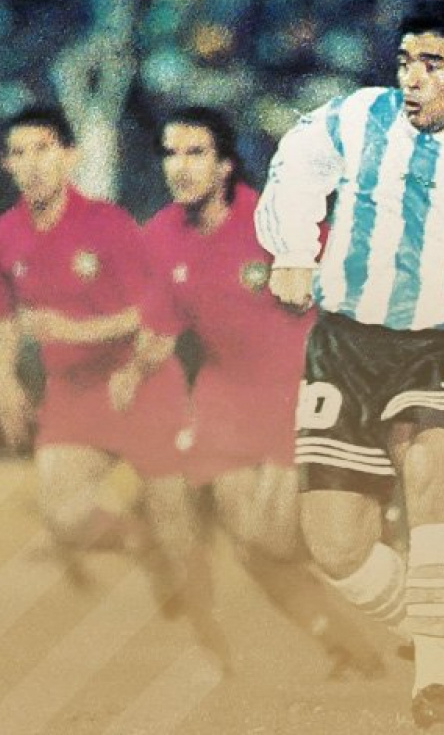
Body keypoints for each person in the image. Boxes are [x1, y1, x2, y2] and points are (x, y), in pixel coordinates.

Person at [20, 105, 382, 677]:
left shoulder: (276, 217)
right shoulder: (160, 236)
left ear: (225, 166)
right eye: (170, 153)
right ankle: (344, 644)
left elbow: (354, 280)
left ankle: (377, 535)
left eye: (195, 153)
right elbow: (158, 328)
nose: (179, 166)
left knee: (276, 536)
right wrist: (131, 369)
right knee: (249, 543)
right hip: (227, 397)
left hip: (304, 387)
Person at [255, 0, 444, 727]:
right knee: (337, 547)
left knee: (433, 470)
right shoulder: (360, 116)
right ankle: (440, 634)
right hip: (343, 346)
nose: (412, 78)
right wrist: (292, 249)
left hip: (441, 344)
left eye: (432, 63)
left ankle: (437, 681)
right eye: (405, 62)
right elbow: (297, 161)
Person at [0, 105, 189, 557]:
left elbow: (155, 310)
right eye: (19, 153)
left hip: (139, 383)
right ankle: (139, 539)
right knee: (64, 518)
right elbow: (3, 315)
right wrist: (2, 375)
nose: (32, 164)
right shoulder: (3, 235)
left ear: (70, 156)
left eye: (43, 149)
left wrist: (77, 331)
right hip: (72, 394)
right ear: (7, 164)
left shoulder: (107, 224)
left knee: (177, 529)